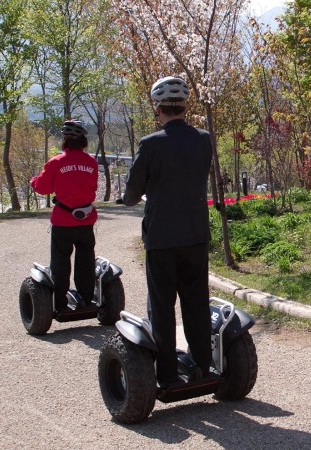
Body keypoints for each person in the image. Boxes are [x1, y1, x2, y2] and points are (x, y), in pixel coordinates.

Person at [117, 76, 215, 393]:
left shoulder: (151, 144)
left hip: (161, 238)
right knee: (196, 303)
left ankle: (169, 375)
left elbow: (133, 192)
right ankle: (203, 365)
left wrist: (130, 198)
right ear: (185, 106)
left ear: (157, 108)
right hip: (196, 234)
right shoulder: (204, 139)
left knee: (161, 306)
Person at [30, 119, 99, 313]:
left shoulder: (56, 162)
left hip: (63, 220)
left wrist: (33, 181)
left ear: (65, 142)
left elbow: (43, 188)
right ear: (84, 141)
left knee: (60, 262)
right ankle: (87, 298)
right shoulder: (92, 163)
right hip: (85, 220)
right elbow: (91, 187)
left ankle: (59, 302)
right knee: (86, 260)